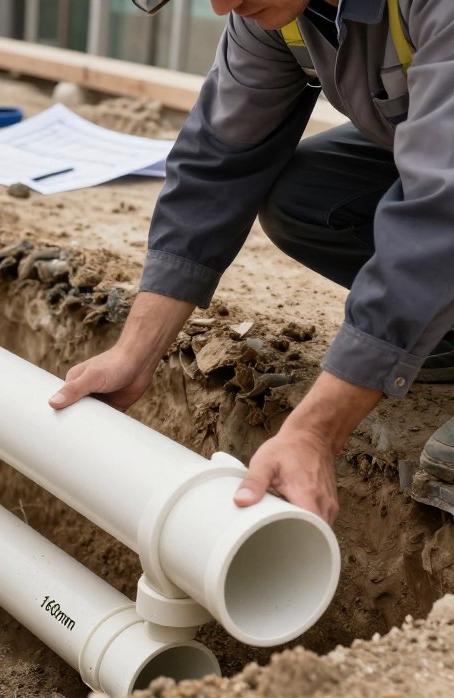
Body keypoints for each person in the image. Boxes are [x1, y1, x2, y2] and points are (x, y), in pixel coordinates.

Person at [48, 0, 454, 525]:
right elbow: (218, 162)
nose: (222, 5)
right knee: (307, 199)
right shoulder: (273, 15)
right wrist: (135, 352)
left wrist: (314, 432)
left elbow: (440, 210)